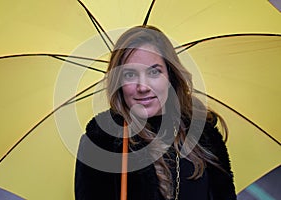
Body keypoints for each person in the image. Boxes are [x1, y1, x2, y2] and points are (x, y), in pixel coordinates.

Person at [74, 25, 236, 200]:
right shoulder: (101, 142)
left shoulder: (204, 135)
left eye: (153, 72)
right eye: (130, 75)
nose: (143, 87)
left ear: (170, 75)